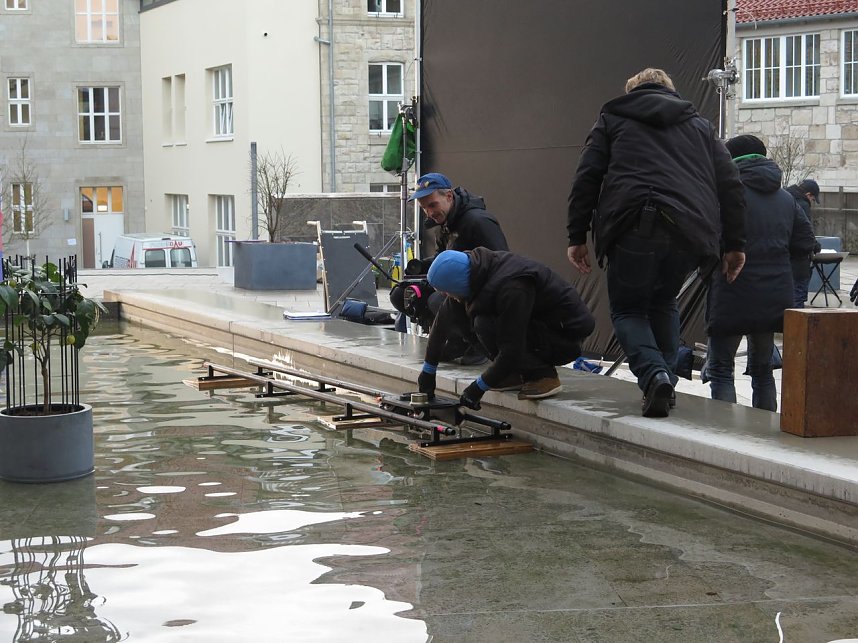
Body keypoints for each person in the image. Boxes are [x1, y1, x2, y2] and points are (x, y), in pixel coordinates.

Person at [566, 67, 747, 418]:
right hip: (689, 230)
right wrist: (735, 244)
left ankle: (655, 376)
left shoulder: (613, 118)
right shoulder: (701, 127)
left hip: (633, 225)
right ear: (671, 90)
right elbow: (731, 185)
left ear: (632, 91)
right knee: (664, 303)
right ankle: (664, 382)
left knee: (628, 309)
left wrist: (577, 235)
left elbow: (587, 176)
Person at [706, 135, 816, 411]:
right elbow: (805, 242)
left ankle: (723, 432)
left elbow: (708, 239)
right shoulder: (787, 199)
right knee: (763, 369)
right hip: (773, 295)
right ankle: (763, 430)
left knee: (721, 369)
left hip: (732, 289)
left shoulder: (725, 195)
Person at [416, 248, 595, 404]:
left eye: (447, 291)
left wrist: (478, 387)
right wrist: (428, 371)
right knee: (465, 317)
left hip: (565, 336)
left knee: (483, 324)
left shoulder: (513, 287)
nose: (447, 296)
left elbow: (512, 348)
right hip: (537, 326)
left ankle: (543, 375)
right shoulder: (475, 271)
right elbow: (443, 322)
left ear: (458, 284)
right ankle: (511, 374)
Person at [390, 172, 509, 364]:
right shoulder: (444, 224)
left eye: (432, 205)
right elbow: (442, 258)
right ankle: (448, 336)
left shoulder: (478, 221)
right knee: (401, 294)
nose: (429, 213)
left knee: (438, 300)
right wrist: (420, 267)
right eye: (424, 208)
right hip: (454, 289)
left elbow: (503, 264)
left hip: (481, 294)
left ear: (449, 196)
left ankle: (475, 343)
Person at [785, 178, 822, 307]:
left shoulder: (784, 199)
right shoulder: (803, 205)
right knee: (798, 298)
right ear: (808, 194)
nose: (812, 202)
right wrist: (815, 246)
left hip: (783, 258)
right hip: (799, 260)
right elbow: (805, 232)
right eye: (813, 199)